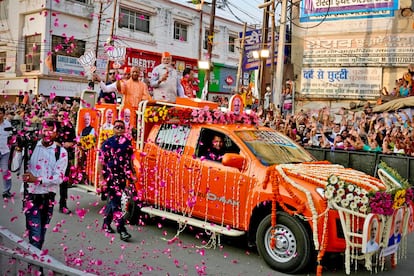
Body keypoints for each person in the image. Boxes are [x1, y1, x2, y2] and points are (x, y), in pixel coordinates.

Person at [23, 120, 68, 250]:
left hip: (48, 197)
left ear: (57, 133)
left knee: (40, 235)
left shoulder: (60, 152)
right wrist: (19, 148)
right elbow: (15, 167)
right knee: (35, 235)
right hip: (31, 196)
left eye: (51, 130)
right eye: (45, 129)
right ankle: (37, 267)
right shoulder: (31, 147)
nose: (47, 133)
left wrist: (37, 179)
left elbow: (58, 178)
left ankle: (34, 262)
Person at [99, 120, 135, 241]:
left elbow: (130, 159)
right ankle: (122, 230)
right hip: (110, 176)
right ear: (113, 129)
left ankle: (106, 223)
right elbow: (101, 162)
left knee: (114, 201)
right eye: (117, 127)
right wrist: (101, 178)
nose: (119, 129)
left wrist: (131, 173)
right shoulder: (107, 143)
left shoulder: (128, 143)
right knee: (116, 204)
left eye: (121, 127)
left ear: (125, 129)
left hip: (122, 177)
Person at [56, 110, 76, 214]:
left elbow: (74, 140)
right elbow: (48, 139)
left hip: (65, 157)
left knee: (64, 182)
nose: (60, 117)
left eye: (63, 115)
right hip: (53, 157)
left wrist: (70, 143)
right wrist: (59, 144)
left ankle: (63, 205)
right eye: (59, 115)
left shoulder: (70, 127)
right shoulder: (54, 126)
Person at [0, 107, 13, 199]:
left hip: (5, 151)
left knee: (5, 171)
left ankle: (6, 191)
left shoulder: (7, 124)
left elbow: (11, 136)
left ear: (4, 114)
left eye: (0, 113)